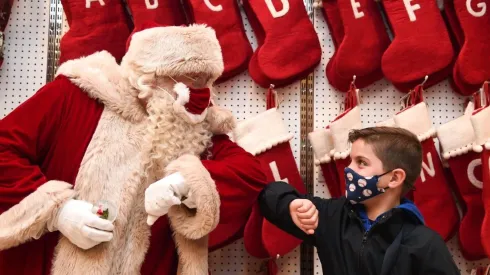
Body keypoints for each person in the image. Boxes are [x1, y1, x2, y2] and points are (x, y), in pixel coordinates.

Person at [0, 24, 267, 275]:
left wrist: (184, 182)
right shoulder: (75, 96)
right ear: (150, 77)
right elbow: (4, 148)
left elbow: (250, 173)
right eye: (191, 79)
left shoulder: (194, 129)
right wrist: (58, 211)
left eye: (207, 82)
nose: (202, 94)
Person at [259, 126, 460, 275]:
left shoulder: (424, 243)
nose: (348, 170)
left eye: (361, 163)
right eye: (350, 160)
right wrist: (291, 204)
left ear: (394, 178)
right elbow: (268, 195)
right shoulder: (333, 217)